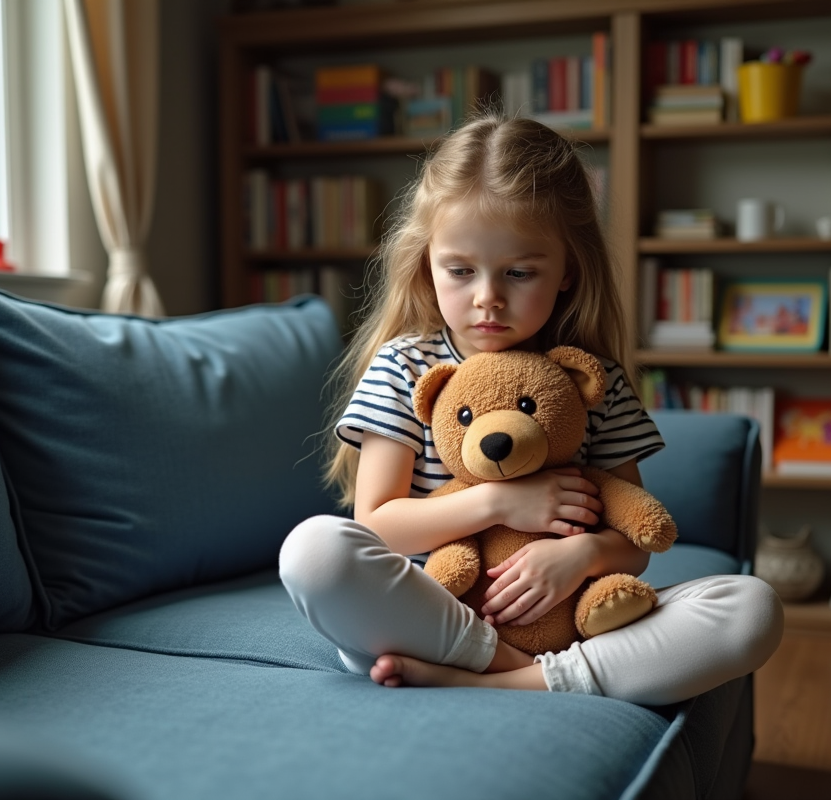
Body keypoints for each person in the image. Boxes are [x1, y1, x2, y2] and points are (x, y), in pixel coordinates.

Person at [279, 113, 783, 705]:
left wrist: (581, 555)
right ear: (426, 264)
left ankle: (505, 680)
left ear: (568, 269)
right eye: (460, 271)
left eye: (520, 272)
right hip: (429, 613)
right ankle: (516, 669)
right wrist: (497, 500)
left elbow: (635, 542)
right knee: (314, 551)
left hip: (565, 618)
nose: (488, 297)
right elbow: (379, 526)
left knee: (752, 608)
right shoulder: (405, 367)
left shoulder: (591, 380)